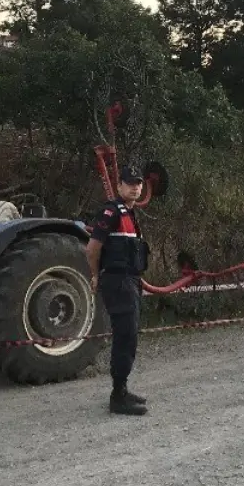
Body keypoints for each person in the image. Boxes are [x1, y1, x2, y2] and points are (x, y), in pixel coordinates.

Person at [86, 164, 150, 416]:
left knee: (129, 334)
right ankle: (117, 396)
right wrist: (95, 275)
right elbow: (92, 249)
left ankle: (122, 389)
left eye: (138, 183)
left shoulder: (131, 215)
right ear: (120, 185)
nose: (135, 187)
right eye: (130, 183)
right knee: (125, 335)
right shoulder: (111, 212)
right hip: (117, 281)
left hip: (130, 281)